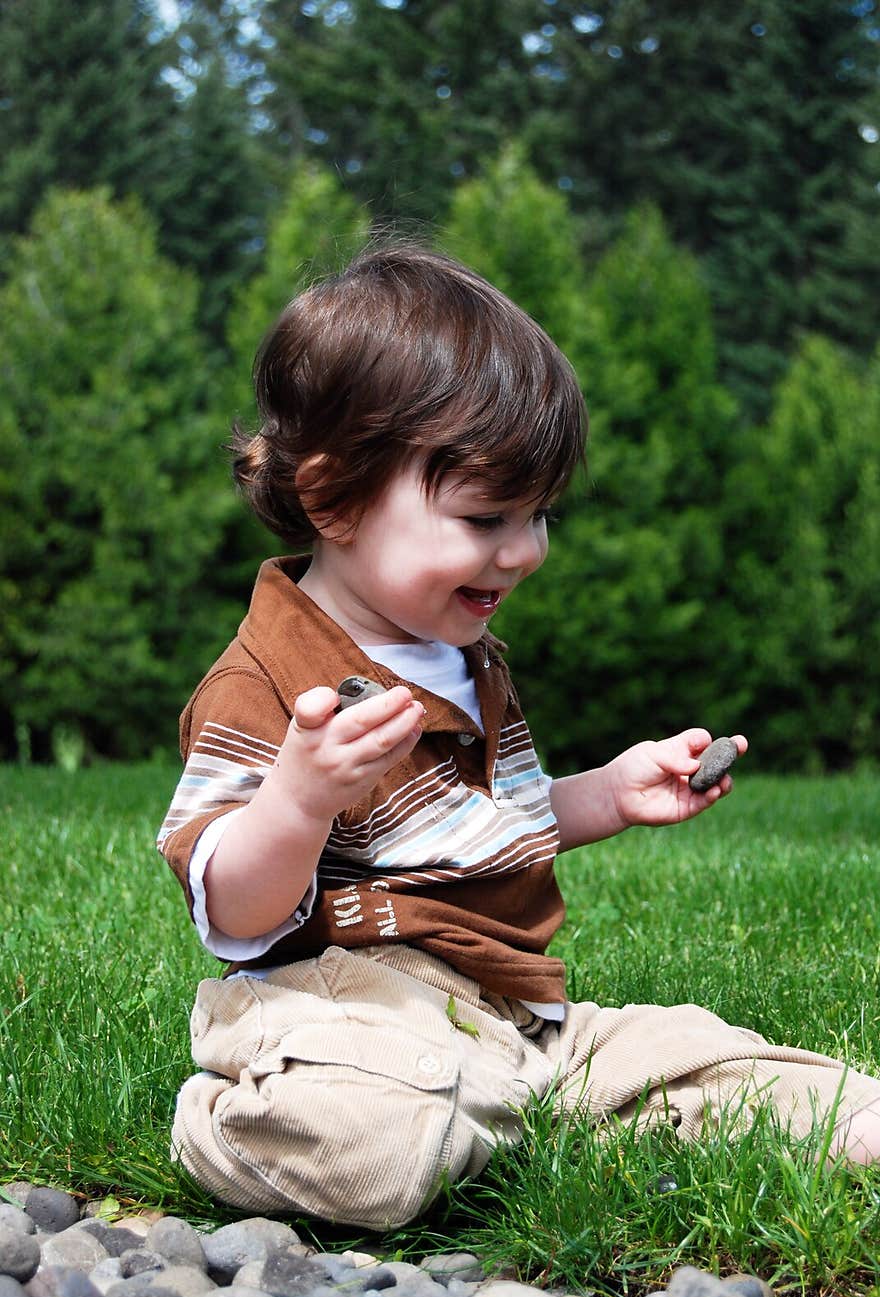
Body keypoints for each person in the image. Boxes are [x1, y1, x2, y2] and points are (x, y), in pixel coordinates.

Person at [157, 242, 880, 1231]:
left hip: (512, 1014)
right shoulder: (269, 681)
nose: (523, 549)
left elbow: (488, 825)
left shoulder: (468, 659)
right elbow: (229, 902)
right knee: (375, 1135)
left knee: (771, 1084)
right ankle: (231, 1113)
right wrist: (297, 798)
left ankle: (533, 1110)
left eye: (538, 513)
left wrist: (610, 793)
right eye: (486, 514)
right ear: (332, 498)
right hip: (350, 1007)